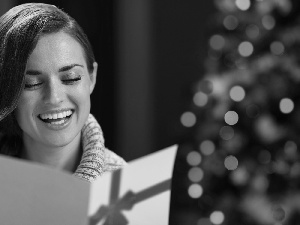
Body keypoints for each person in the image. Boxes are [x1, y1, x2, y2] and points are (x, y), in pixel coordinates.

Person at [0, 3, 126, 182]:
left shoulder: (126, 189)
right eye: (31, 83)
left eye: (71, 78)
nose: (54, 98)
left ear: (92, 78)